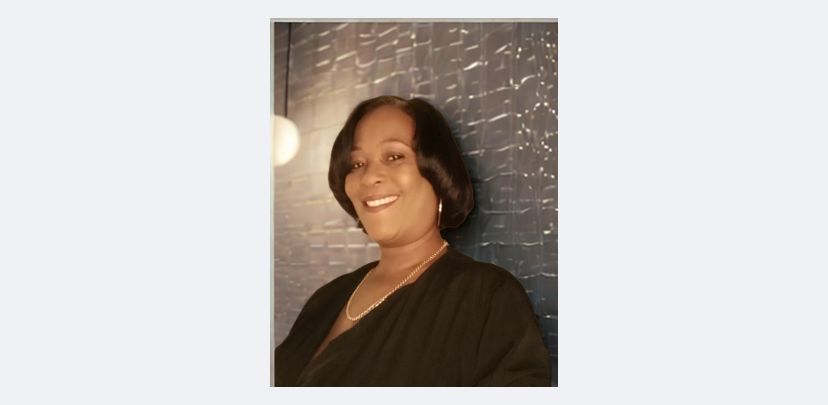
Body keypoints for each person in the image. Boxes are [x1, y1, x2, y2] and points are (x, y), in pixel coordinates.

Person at [273, 96, 551, 386]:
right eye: (356, 163)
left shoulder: (486, 297)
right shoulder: (325, 298)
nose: (369, 176)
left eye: (394, 156)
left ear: (438, 174)